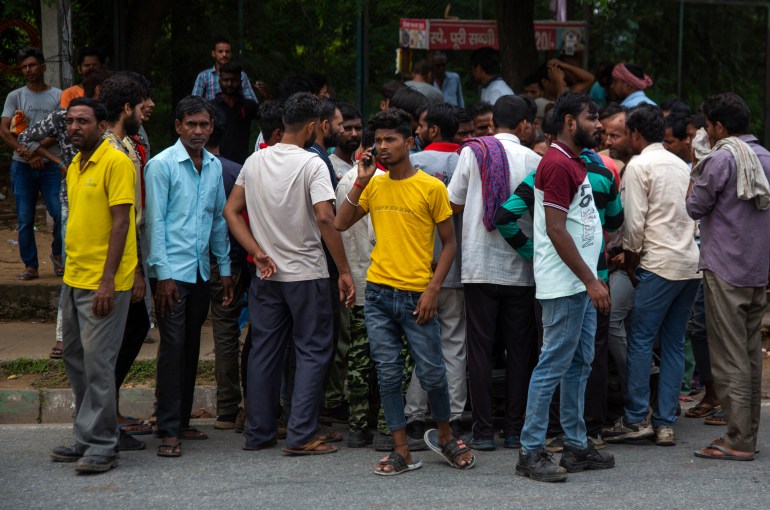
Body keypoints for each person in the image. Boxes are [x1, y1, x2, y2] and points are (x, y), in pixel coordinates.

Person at [335, 108, 475, 475]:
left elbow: (449, 244)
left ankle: (445, 436)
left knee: (432, 373)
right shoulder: (375, 184)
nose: (382, 147)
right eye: (377, 140)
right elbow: (339, 222)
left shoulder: (430, 187)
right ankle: (402, 450)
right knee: (388, 373)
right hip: (379, 294)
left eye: (390, 139)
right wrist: (361, 181)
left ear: (410, 141)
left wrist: (432, 290)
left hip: (417, 297)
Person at [223, 92, 354, 454]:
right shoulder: (313, 164)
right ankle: (301, 435)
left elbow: (231, 212)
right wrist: (343, 270)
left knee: (265, 350)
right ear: (313, 126)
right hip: (307, 274)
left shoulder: (256, 160)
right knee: (313, 350)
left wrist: (256, 251)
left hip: (266, 275)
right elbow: (326, 217)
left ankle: (259, 433)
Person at [515, 92, 613, 483]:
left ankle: (575, 446)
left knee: (578, 363)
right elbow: (556, 230)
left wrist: (592, 280)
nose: (600, 124)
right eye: (593, 117)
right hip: (567, 285)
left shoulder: (573, 161)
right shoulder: (556, 164)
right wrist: (591, 281)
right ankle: (530, 451)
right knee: (554, 363)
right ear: (570, 122)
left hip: (581, 285)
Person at [603, 104, 700, 447]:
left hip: (658, 264)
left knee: (642, 339)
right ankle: (664, 423)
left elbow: (633, 228)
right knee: (672, 343)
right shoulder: (680, 164)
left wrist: (629, 263)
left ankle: (634, 419)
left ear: (635, 134)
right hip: (689, 265)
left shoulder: (639, 165)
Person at [49, 97, 136, 473]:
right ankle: (87, 437)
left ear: (101, 124)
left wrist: (107, 281)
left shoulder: (115, 161)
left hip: (105, 283)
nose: (74, 127)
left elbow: (121, 224)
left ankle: (103, 444)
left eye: (82, 121)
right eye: (70, 121)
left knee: (99, 364)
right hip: (74, 278)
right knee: (76, 360)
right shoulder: (74, 164)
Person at [448, 95, 540, 452]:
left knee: (480, 350)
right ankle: (515, 429)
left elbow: (454, 201)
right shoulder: (534, 159)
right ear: (522, 125)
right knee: (520, 351)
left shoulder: (473, 152)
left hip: (479, 264)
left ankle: (484, 431)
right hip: (521, 266)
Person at [145, 96, 234, 458]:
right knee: (173, 347)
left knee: (191, 346)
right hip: (171, 274)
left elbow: (216, 219)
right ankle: (166, 428)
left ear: (211, 127)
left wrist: (224, 269)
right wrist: (163, 275)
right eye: (191, 124)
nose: (198, 131)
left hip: (199, 270)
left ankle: (180, 420)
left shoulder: (212, 166)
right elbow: (155, 223)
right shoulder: (161, 165)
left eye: (204, 125)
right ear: (178, 126)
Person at [687, 93, 770, 461]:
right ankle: (746, 433)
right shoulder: (765, 157)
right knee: (750, 355)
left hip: (724, 268)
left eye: (708, 125)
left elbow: (694, 207)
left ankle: (738, 440)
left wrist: (696, 165)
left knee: (729, 356)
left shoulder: (720, 159)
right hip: (756, 270)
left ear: (718, 127)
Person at [404, 103, 464, 441]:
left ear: (433, 130)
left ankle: (414, 415)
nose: (417, 131)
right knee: (454, 342)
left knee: (422, 343)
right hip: (455, 266)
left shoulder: (413, 164)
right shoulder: (467, 162)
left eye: (421, 125)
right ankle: (453, 416)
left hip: (420, 267)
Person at [202, 107, 250, 431]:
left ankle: (226, 409)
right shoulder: (237, 170)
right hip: (231, 260)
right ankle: (228, 409)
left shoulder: (189, 168)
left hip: (192, 262)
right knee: (226, 332)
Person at [0, 47, 63, 281]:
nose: (28, 70)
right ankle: (31, 266)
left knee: (59, 213)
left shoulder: (58, 95)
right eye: (24, 66)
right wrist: (27, 153)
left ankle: (58, 254)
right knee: (25, 218)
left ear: (43, 67)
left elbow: (60, 129)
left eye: (33, 65)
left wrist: (36, 150)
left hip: (51, 166)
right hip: (22, 165)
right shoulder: (15, 96)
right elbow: (5, 131)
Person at [212, 61, 259, 164]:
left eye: (233, 80)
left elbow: (270, 118)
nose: (229, 84)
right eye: (226, 80)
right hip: (215, 161)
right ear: (219, 81)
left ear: (241, 82)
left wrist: (267, 95)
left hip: (242, 163)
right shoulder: (210, 107)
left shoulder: (248, 106)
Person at [191, 37, 257, 101]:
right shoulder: (204, 76)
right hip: (211, 111)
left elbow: (252, 101)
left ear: (231, 54)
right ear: (213, 54)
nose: (224, 54)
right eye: (220, 51)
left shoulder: (241, 75)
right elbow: (195, 102)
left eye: (227, 52)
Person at [329, 103, 362, 182]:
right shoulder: (329, 167)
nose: (354, 134)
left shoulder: (361, 167)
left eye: (358, 128)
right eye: (348, 128)